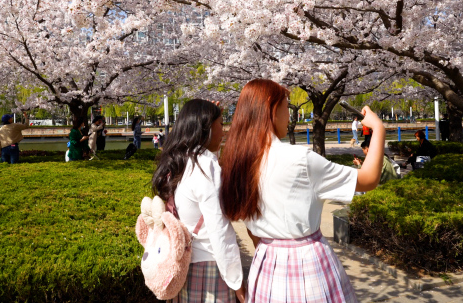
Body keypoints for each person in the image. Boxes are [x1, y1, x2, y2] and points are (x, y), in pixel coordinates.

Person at [220, 79, 386, 303]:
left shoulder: (236, 162)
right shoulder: (300, 160)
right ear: (271, 107)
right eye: (286, 107)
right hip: (307, 264)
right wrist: (378, 130)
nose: (290, 116)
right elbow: (368, 179)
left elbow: (251, 230)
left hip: (265, 265)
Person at [151, 99, 245, 303]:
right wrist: (236, 281)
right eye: (220, 124)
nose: (224, 131)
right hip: (210, 268)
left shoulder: (177, 162)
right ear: (206, 128)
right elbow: (219, 230)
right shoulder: (205, 167)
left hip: (184, 266)